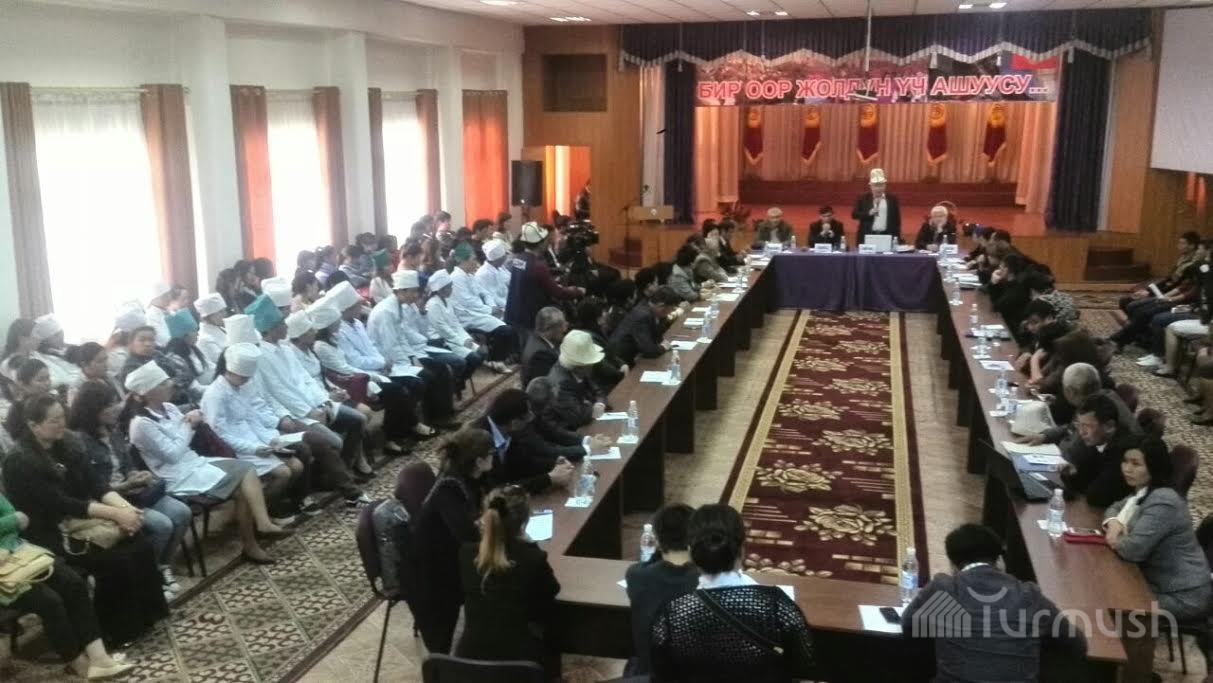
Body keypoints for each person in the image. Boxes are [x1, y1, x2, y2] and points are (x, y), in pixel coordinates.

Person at [2, 394, 168, 646]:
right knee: (116, 559)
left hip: (81, 520)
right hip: (49, 533)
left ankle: (149, 616)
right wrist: (115, 514)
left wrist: (128, 510)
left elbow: (95, 484)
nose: (61, 424)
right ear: (34, 425)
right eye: (54, 420)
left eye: (62, 417)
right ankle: (118, 631)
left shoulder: (67, 443)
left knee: (139, 541)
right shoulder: (20, 461)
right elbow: (61, 503)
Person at [124, 360, 289, 565]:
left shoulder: (170, 408)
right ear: (148, 393)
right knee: (246, 476)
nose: (171, 385)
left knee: (245, 480)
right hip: (176, 475)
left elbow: (183, 443)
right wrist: (189, 425)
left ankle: (255, 536)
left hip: (194, 463)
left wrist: (190, 424)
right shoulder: (141, 424)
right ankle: (257, 533)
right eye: (163, 383)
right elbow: (173, 454)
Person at [649, 504, 815, 682]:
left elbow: (661, 675)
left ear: (691, 552)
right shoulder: (777, 606)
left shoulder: (672, 615)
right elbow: (806, 666)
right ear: (742, 550)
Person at [902, 524, 1086, 681]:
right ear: (999, 560)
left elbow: (908, 624)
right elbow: (1077, 645)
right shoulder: (1028, 595)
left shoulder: (945, 589)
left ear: (953, 565)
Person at [70, 380, 192, 599]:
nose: (115, 409)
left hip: (135, 492)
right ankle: (148, 576)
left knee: (182, 512)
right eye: (108, 406)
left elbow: (127, 465)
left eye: (115, 403)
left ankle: (162, 565)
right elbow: (93, 488)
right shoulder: (79, 442)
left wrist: (136, 475)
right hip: (110, 501)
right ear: (93, 410)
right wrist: (126, 485)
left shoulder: (114, 431)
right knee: (161, 525)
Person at [0, 492, 134, 679]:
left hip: (17, 552)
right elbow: (16, 519)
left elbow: (15, 517)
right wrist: (13, 521)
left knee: (73, 584)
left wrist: (5, 547)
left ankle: (99, 659)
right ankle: (75, 661)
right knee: (49, 601)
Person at [1104, 439, 1213, 621]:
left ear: (1153, 467)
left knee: (1107, 599)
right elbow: (1114, 508)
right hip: (1156, 582)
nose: (1127, 469)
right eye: (1125, 461)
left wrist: (1113, 537)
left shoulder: (1164, 500)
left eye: (1136, 464)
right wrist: (1114, 523)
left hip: (1182, 596)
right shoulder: (1144, 491)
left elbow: (1132, 550)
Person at [456, 485, 561, 673]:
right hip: (520, 665)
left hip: (470, 661)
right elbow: (552, 590)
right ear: (525, 521)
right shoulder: (532, 558)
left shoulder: (466, 554)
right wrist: (531, 544)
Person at [199, 344, 305, 515]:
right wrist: (254, 448)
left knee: (297, 466)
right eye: (243, 377)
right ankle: (259, 513)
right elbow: (220, 435)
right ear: (230, 371)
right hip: (233, 449)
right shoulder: (215, 394)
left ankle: (273, 503)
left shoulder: (242, 387)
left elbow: (252, 419)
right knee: (284, 473)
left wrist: (271, 440)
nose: (246, 381)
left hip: (254, 441)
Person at [413, 427, 493, 654]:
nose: (494, 458)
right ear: (479, 461)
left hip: (448, 555)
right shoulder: (449, 486)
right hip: (432, 569)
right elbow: (467, 534)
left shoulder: (470, 478)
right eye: (491, 454)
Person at [471, 388, 607, 493]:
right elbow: (497, 489)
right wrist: (549, 479)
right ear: (514, 423)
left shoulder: (508, 429)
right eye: (528, 416)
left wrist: (554, 465)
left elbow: (524, 463)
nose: (532, 417)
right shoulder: (479, 441)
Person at [625, 503, 700, 676]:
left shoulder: (636, 575)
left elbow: (646, 567)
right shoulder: (703, 579)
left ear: (657, 538)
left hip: (650, 674)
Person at [504, 222, 584, 331]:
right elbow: (557, 293)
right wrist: (577, 291)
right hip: (531, 321)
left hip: (514, 316)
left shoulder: (518, 259)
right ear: (541, 243)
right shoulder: (537, 266)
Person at [1060, 395, 1136, 508]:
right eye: (1079, 425)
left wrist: (1080, 479)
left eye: (1087, 426)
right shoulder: (1097, 441)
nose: (1081, 432)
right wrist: (1073, 474)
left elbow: (1096, 496)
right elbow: (1083, 482)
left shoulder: (1123, 450)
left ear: (1109, 426)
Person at [450, 242, 516, 372]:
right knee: (505, 329)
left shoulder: (469, 275)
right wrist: (490, 310)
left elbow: (485, 293)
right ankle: (496, 360)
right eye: (473, 259)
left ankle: (505, 355)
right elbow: (468, 302)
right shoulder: (456, 278)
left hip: (479, 311)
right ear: (463, 261)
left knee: (509, 321)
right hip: (467, 316)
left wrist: (492, 306)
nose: (476, 262)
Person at [424, 269, 487, 379]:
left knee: (482, 353)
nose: (451, 289)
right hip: (441, 341)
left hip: (454, 338)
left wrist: (466, 338)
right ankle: (458, 382)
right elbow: (442, 329)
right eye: (449, 287)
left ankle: (461, 380)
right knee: (474, 358)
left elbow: (455, 323)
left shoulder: (447, 301)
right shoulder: (433, 304)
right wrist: (461, 341)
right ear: (440, 289)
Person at [546, 330, 609, 430]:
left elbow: (599, 391)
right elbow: (578, 417)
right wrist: (592, 408)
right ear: (579, 366)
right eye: (590, 363)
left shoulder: (579, 370)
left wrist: (600, 404)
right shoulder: (562, 383)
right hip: (571, 431)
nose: (593, 365)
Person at [610, 286, 680, 366]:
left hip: (630, 357)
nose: (669, 313)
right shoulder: (643, 315)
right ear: (661, 306)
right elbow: (649, 351)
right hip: (618, 362)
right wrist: (663, 347)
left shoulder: (647, 307)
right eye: (670, 309)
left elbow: (657, 339)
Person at [162, 309, 216, 404]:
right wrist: (217, 389)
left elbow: (211, 366)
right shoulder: (174, 359)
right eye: (194, 330)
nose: (198, 333)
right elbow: (195, 390)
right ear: (185, 335)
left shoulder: (193, 348)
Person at [30, 314, 84, 393]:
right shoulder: (38, 358)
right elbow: (58, 381)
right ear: (45, 340)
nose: (61, 338)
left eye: (61, 333)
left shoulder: (72, 349)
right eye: (56, 336)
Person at [520, 306, 567, 389]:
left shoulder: (534, 337)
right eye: (561, 325)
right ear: (548, 328)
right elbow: (548, 387)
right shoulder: (542, 355)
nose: (564, 329)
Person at [852, 168, 902, 241]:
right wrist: (868, 213)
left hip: (887, 236)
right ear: (871, 186)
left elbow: (897, 220)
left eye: (881, 185)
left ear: (885, 185)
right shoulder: (863, 198)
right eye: (875, 185)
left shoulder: (892, 199)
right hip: (867, 235)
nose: (878, 188)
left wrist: (897, 238)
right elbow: (854, 215)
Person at [474, 239, 512, 310]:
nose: (506, 258)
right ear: (499, 259)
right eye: (504, 256)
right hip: (500, 309)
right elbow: (492, 297)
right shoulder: (483, 274)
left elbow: (509, 280)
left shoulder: (500, 268)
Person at [194, 292, 229, 365]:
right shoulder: (205, 340)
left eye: (224, 310)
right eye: (220, 312)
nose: (225, 314)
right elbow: (224, 362)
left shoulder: (220, 328)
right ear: (209, 316)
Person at [144, 281, 180, 347]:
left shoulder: (172, 313)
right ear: (154, 299)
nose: (169, 298)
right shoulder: (150, 316)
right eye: (165, 296)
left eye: (169, 294)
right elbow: (163, 339)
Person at [1, 317, 35, 383]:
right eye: (35, 335)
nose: (40, 338)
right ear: (22, 339)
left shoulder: (34, 354)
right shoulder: (9, 364)